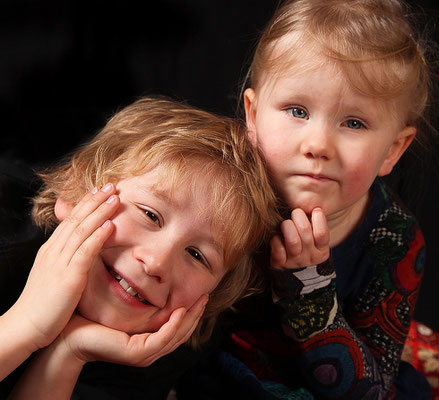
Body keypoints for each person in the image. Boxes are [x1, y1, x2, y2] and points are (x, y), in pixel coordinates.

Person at [177, 0, 435, 398]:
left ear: (392, 150)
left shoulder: (393, 237)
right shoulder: (216, 190)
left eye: (354, 122)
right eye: (297, 110)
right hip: (209, 368)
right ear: (253, 114)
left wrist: (310, 293)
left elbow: (371, 391)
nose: (317, 145)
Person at [1, 96, 280, 399]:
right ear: (76, 188)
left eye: (197, 256)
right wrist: (27, 324)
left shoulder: (153, 358)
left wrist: (69, 351)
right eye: (150, 214)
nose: (157, 262)